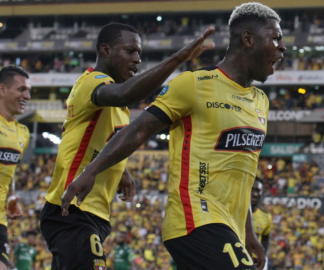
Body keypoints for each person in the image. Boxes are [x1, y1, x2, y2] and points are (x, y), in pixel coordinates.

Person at [62, 3, 286, 269]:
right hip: (195, 220)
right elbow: (138, 129)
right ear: (248, 39)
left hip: (231, 229)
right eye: (275, 39)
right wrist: (90, 171)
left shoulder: (261, 100)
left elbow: (243, 175)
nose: (281, 48)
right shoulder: (194, 84)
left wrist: (248, 233)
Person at [40, 22, 215, 270]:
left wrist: (120, 169)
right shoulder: (92, 82)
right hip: (71, 209)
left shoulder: (117, 109)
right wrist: (178, 59)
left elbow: (88, 139)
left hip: (93, 213)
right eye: (130, 51)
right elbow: (126, 94)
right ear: (106, 50)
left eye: (140, 54)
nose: (137, 59)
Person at [0, 65, 31, 270]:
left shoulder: (23, 133)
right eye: (21, 89)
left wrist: (11, 197)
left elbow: (8, 172)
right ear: (2, 89)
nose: (27, 96)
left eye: (28, 91)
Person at [251, 179, 272, 270]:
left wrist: (264, 255)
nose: (255, 194)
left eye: (258, 191)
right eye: (252, 189)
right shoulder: (234, 213)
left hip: (255, 261)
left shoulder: (266, 216)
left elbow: (266, 238)